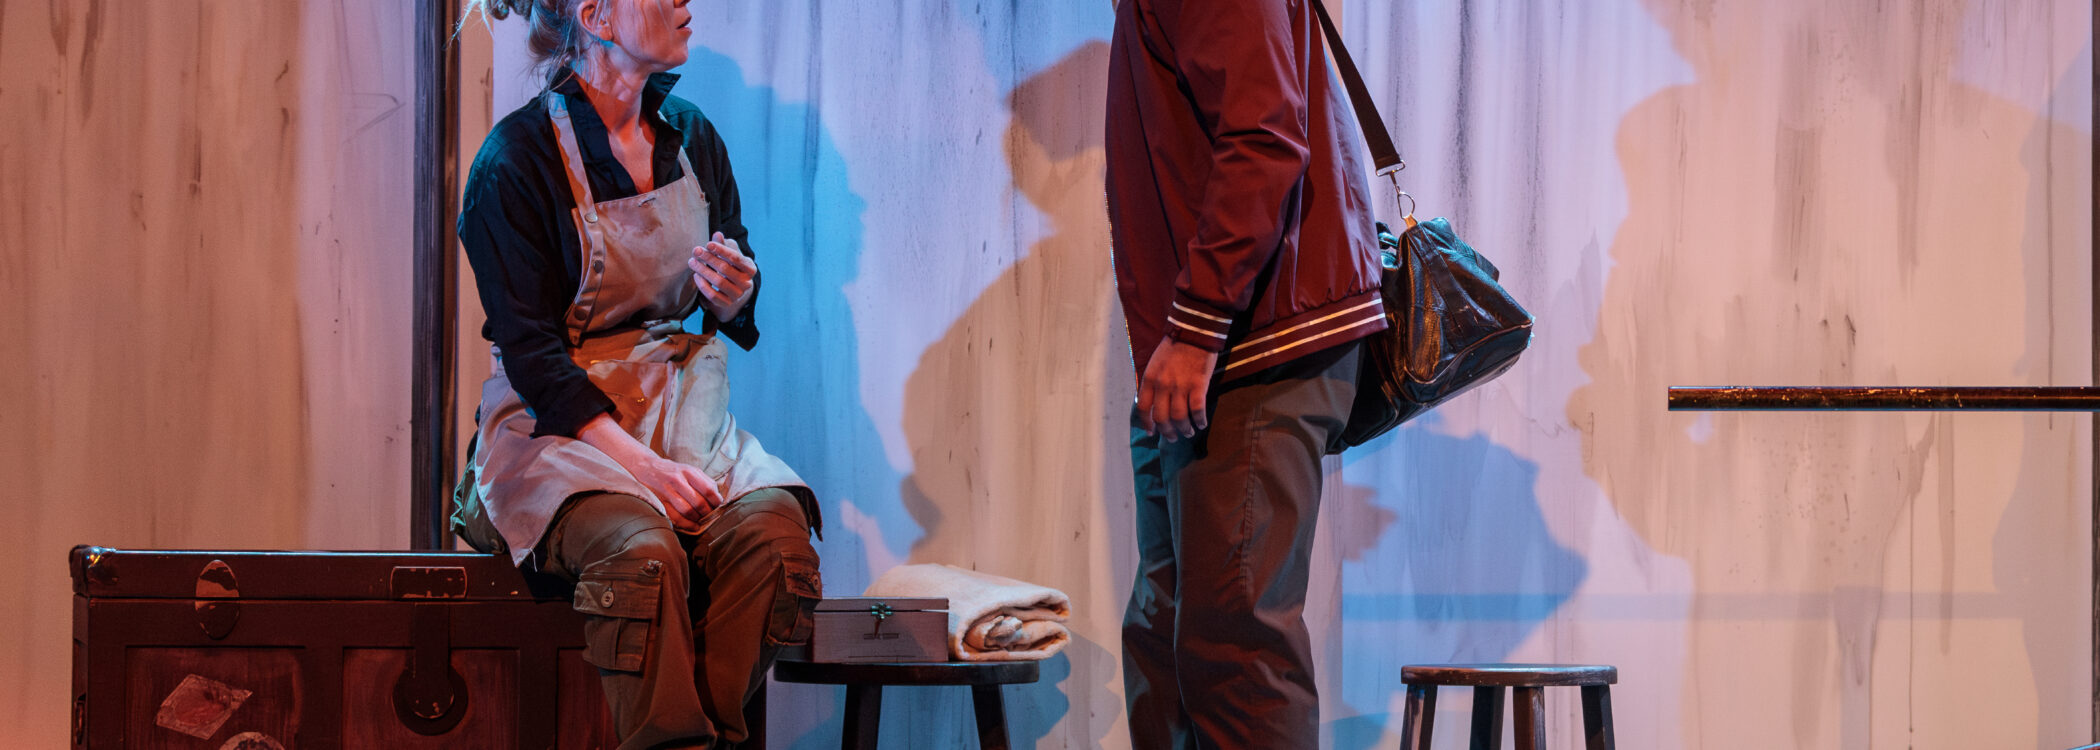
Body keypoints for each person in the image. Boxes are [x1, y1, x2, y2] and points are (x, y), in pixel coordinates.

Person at [452, 1, 821, 747]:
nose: (685, 3)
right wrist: (645, 471)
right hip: (558, 435)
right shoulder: (513, 161)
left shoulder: (691, 137)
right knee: (641, 552)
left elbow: (731, 286)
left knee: (775, 541)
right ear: (597, 16)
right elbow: (534, 362)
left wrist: (733, 292)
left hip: (683, 417)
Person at [1105, 0, 1387, 746]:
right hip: (1217, 351)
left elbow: (1263, 138)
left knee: (1235, 649)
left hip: (1252, 344)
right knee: (1171, 633)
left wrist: (1198, 323)